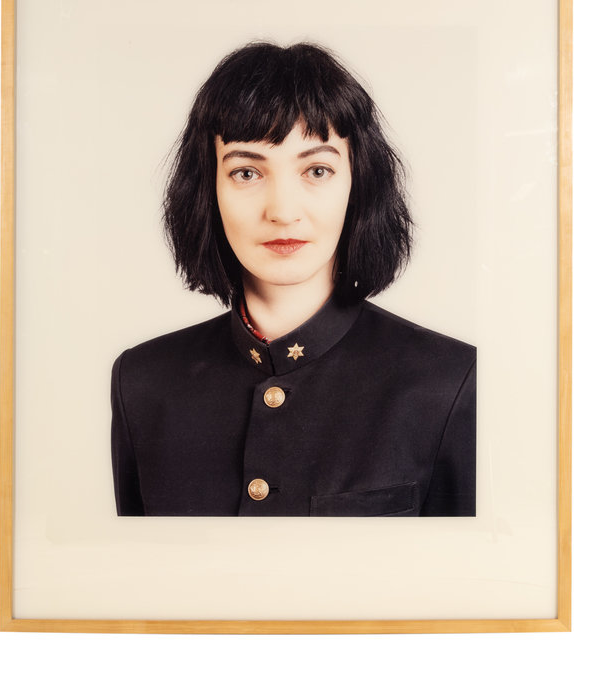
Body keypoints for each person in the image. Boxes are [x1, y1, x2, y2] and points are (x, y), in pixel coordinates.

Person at [111, 42, 476, 517]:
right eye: (246, 172)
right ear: (207, 189)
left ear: (358, 184)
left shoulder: (450, 381)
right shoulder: (142, 382)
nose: (283, 211)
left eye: (317, 170)